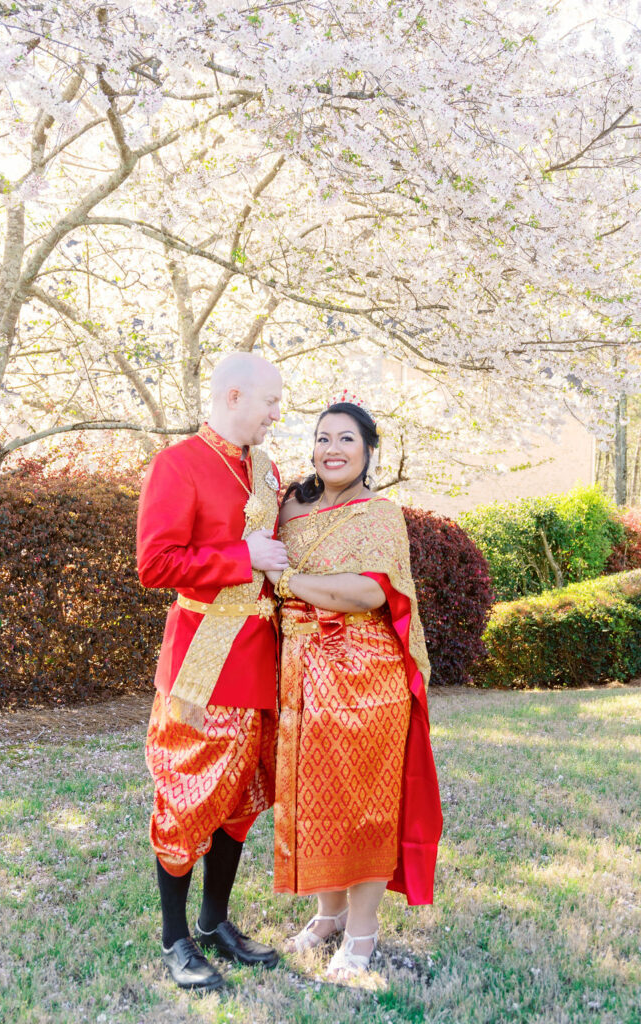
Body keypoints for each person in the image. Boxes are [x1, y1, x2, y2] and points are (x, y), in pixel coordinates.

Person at [267, 396, 443, 979]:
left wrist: (288, 579)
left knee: (364, 800)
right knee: (315, 797)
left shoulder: (379, 514)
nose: (331, 449)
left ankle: (362, 933)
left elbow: (368, 592)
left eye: (346, 439)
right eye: (322, 438)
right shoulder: (289, 506)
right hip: (300, 666)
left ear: (368, 451)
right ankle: (328, 914)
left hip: (365, 670)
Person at [137, 352, 288, 992]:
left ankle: (214, 922)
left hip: (260, 660)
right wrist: (241, 554)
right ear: (232, 397)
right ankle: (175, 941)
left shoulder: (266, 470)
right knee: (187, 796)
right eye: (269, 403)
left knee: (242, 798)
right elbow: (156, 564)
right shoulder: (178, 465)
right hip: (203, 663)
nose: (277, 414)